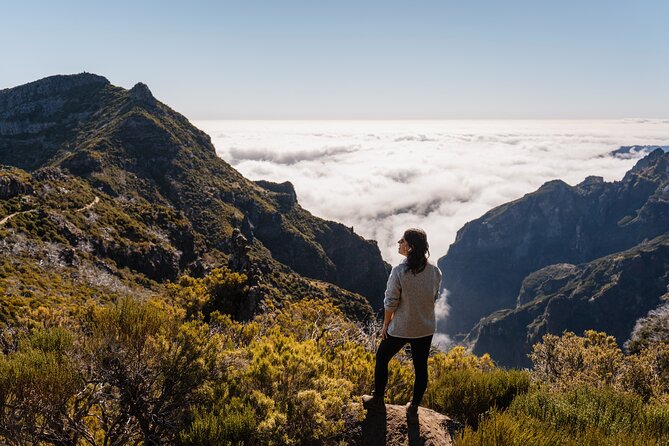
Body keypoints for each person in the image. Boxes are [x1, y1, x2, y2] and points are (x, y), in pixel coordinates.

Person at [362, 228, 442, 422]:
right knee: (420, 367)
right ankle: (414, 406)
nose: (398, 242)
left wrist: (386, 325)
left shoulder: (399, 272)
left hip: (401, 327)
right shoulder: (434, 270)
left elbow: (391, 302)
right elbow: (434, 296)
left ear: (410, 247)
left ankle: (377, 399)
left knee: (382, 357)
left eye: (402, 241)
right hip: (425, 327)